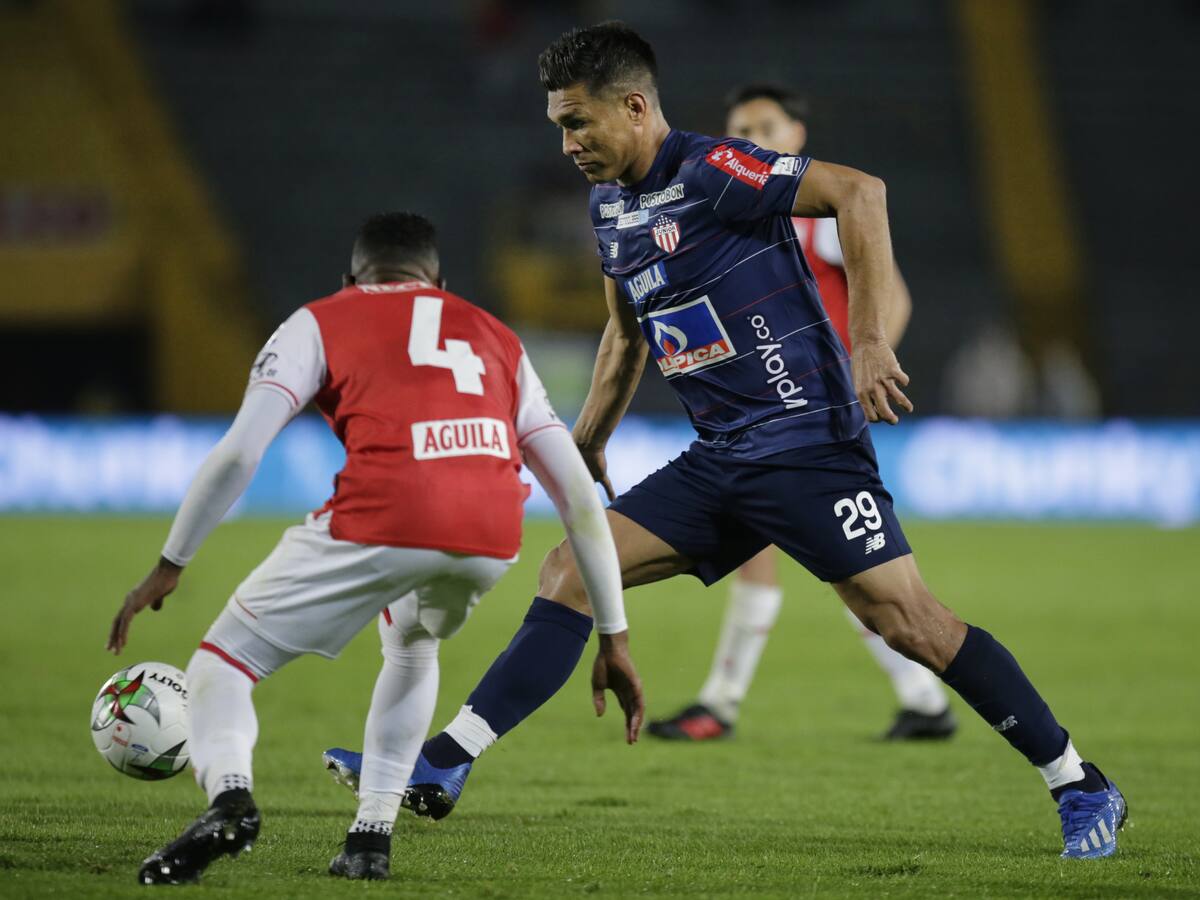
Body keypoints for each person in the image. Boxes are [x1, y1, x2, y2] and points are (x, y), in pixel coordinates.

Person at [327, 23, 1127, 859]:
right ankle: (443, 764)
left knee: (910, 623)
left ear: (635, 108)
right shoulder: (608, 207)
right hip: (719, 457)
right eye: (559, 124)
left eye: (578, 122)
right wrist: (587, 438)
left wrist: (867, 341)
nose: (566, 143)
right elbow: (625, 332)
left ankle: (1080, 783)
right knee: (571, 571)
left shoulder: (713, 171)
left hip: (806, 444)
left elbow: (862, 192)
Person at [105, 212, 642, 884]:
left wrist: (170, 563)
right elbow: (577, 494)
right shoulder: (496, 336)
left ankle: (230, 799)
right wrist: (613, 636)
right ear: (439, 282)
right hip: (489, 532)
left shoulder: (321, 320)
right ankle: (369, 839)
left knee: (222, 662)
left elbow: (240, 452)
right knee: (413, 643)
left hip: (387, 510)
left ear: (350, 279)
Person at [647, 84, 954, 743]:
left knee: (846, 568)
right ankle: (921, 699)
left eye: (766, 124)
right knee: (832, 567)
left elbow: (892, 295)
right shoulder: (735, 217)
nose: (752, 137)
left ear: (797, 136)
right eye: (740, 128)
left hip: (816, 413)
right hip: (766, 412)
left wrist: (864, 365)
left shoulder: (816, 216)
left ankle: (723, 704)